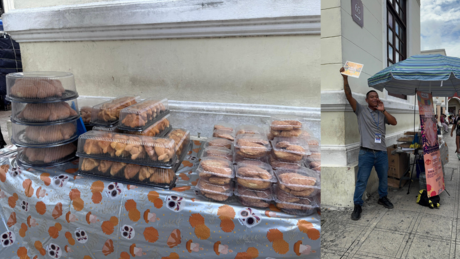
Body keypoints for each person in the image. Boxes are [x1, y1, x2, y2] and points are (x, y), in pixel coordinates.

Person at [340, 67, 398, 221]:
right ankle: (357, 205)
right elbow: (348, 95)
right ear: (366, 100)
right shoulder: (361, 111)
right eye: (372, 96)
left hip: (381, 153)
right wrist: (345, 78)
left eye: (376, 96)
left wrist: (384, 110)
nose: (374, 98)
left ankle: (382, 197)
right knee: (362, 180)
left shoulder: (381, 112)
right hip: (365, 153)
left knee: (383, 178)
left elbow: (394, 122)